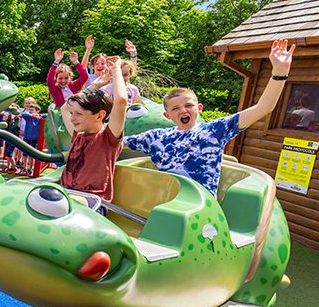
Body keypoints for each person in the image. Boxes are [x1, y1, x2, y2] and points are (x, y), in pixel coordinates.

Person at [124, 39, 295, 197]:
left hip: (200, 206)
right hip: (166, 202)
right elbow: (115, 140)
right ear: (167, 115)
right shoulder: (156, 137)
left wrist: (279, 74)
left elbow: (263, 108)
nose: (183, 110)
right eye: (176, 108)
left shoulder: (213, 130)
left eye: (189, 106)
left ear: (199, 108)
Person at [60, 56, 128, 202]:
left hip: (92, 201)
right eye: (73, 114)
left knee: (65, 202)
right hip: (66, 195)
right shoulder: (78, 135)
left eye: (79, 114)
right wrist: (95, 86)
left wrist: (116, 70)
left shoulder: (108, 138)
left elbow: (121, 101)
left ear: (100, 115)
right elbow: (65, 108)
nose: (72, 118)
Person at [46, 39, 92, 107]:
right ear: (56, 78)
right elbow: (49, 80)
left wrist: (76, 62)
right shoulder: (55, 88)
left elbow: (84, 76)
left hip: (75, 112)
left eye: (66, 78)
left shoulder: (73, 85)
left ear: (70, 77)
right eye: (60, 78)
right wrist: (56, 62)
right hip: (62, 113)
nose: (63, 81)